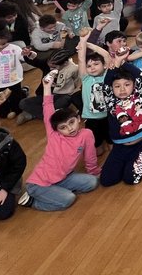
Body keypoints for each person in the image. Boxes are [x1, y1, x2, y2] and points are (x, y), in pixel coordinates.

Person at [24, 73, 100, 208]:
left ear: (78, 118)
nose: (70, 129)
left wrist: (94, 172)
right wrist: (46, 88)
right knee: (68, 199)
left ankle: (56, 192)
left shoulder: (86, 134)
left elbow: (90, 156)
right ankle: (32, 201)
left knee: (92, 182)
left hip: (64, 178)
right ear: (57, 130)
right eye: (63, 127)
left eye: (72, 122)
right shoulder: (54, 135)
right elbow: (47, 107)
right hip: (39, 183)